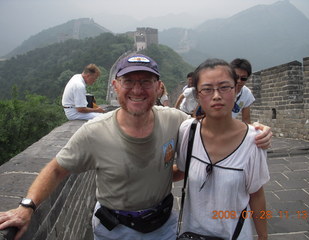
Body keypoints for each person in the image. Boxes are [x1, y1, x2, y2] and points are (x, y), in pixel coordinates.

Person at [0, 54, 272, 240]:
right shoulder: (94, 131)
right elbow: (57, 169)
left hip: (164, 227)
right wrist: (26, 207)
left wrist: (253, 130)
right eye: (129, 81)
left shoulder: (176, 121)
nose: (137, 89)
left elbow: (210, 129)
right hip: (113, 230)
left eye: (145, 82)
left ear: (158, 87)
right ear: (116, 86)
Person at [175, 58, 269, 240]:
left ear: (236, 90)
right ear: (197, 95)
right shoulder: (188, 131)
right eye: (207, 89)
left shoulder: (254, 141)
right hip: (192, 234)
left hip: (235, 235)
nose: (216, 95)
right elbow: (180, 170)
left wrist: (263, 236)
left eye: (224, 87)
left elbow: (256, 195)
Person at [230, 58, 255, 124]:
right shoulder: (219, 89)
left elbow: (246, 119)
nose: (239, 81)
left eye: (243, 78)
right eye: (236, 77)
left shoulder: (247, 94)